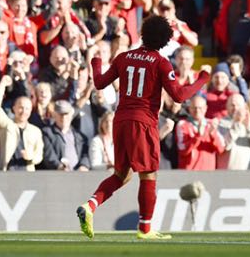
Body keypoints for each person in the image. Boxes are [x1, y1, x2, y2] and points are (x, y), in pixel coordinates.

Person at [76, 15, 210, 240]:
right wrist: (202, 79)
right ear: (165, 41)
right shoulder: (160, 62)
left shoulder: (123, 57)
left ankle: (90, 206)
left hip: (120, 121)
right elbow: (178, 95)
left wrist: (96, 64)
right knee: (148, 175)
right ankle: (145, 229)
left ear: (143, 33)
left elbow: (99, 83)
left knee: (122, 175)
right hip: (143, 122)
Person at [176, 95, 226, 170]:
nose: (197, 111)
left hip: (208, 171)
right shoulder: (182, 124)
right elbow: (182, 150)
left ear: (205, 108)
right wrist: (198, 136)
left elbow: (221, 149)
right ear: (189, 109)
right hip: (189, 171)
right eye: (194, 108)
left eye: (200, 108)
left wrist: (212, 134)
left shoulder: (211, 124)